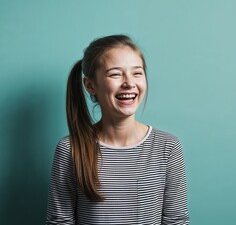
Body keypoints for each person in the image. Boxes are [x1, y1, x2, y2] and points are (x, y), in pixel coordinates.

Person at [46, 35, 189, 224]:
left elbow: (176, 221)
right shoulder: (70, 150)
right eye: (115, 74)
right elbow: (59, 222)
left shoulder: (168, 147)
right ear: (90, 85)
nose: (129, 83)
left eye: (137, 73)